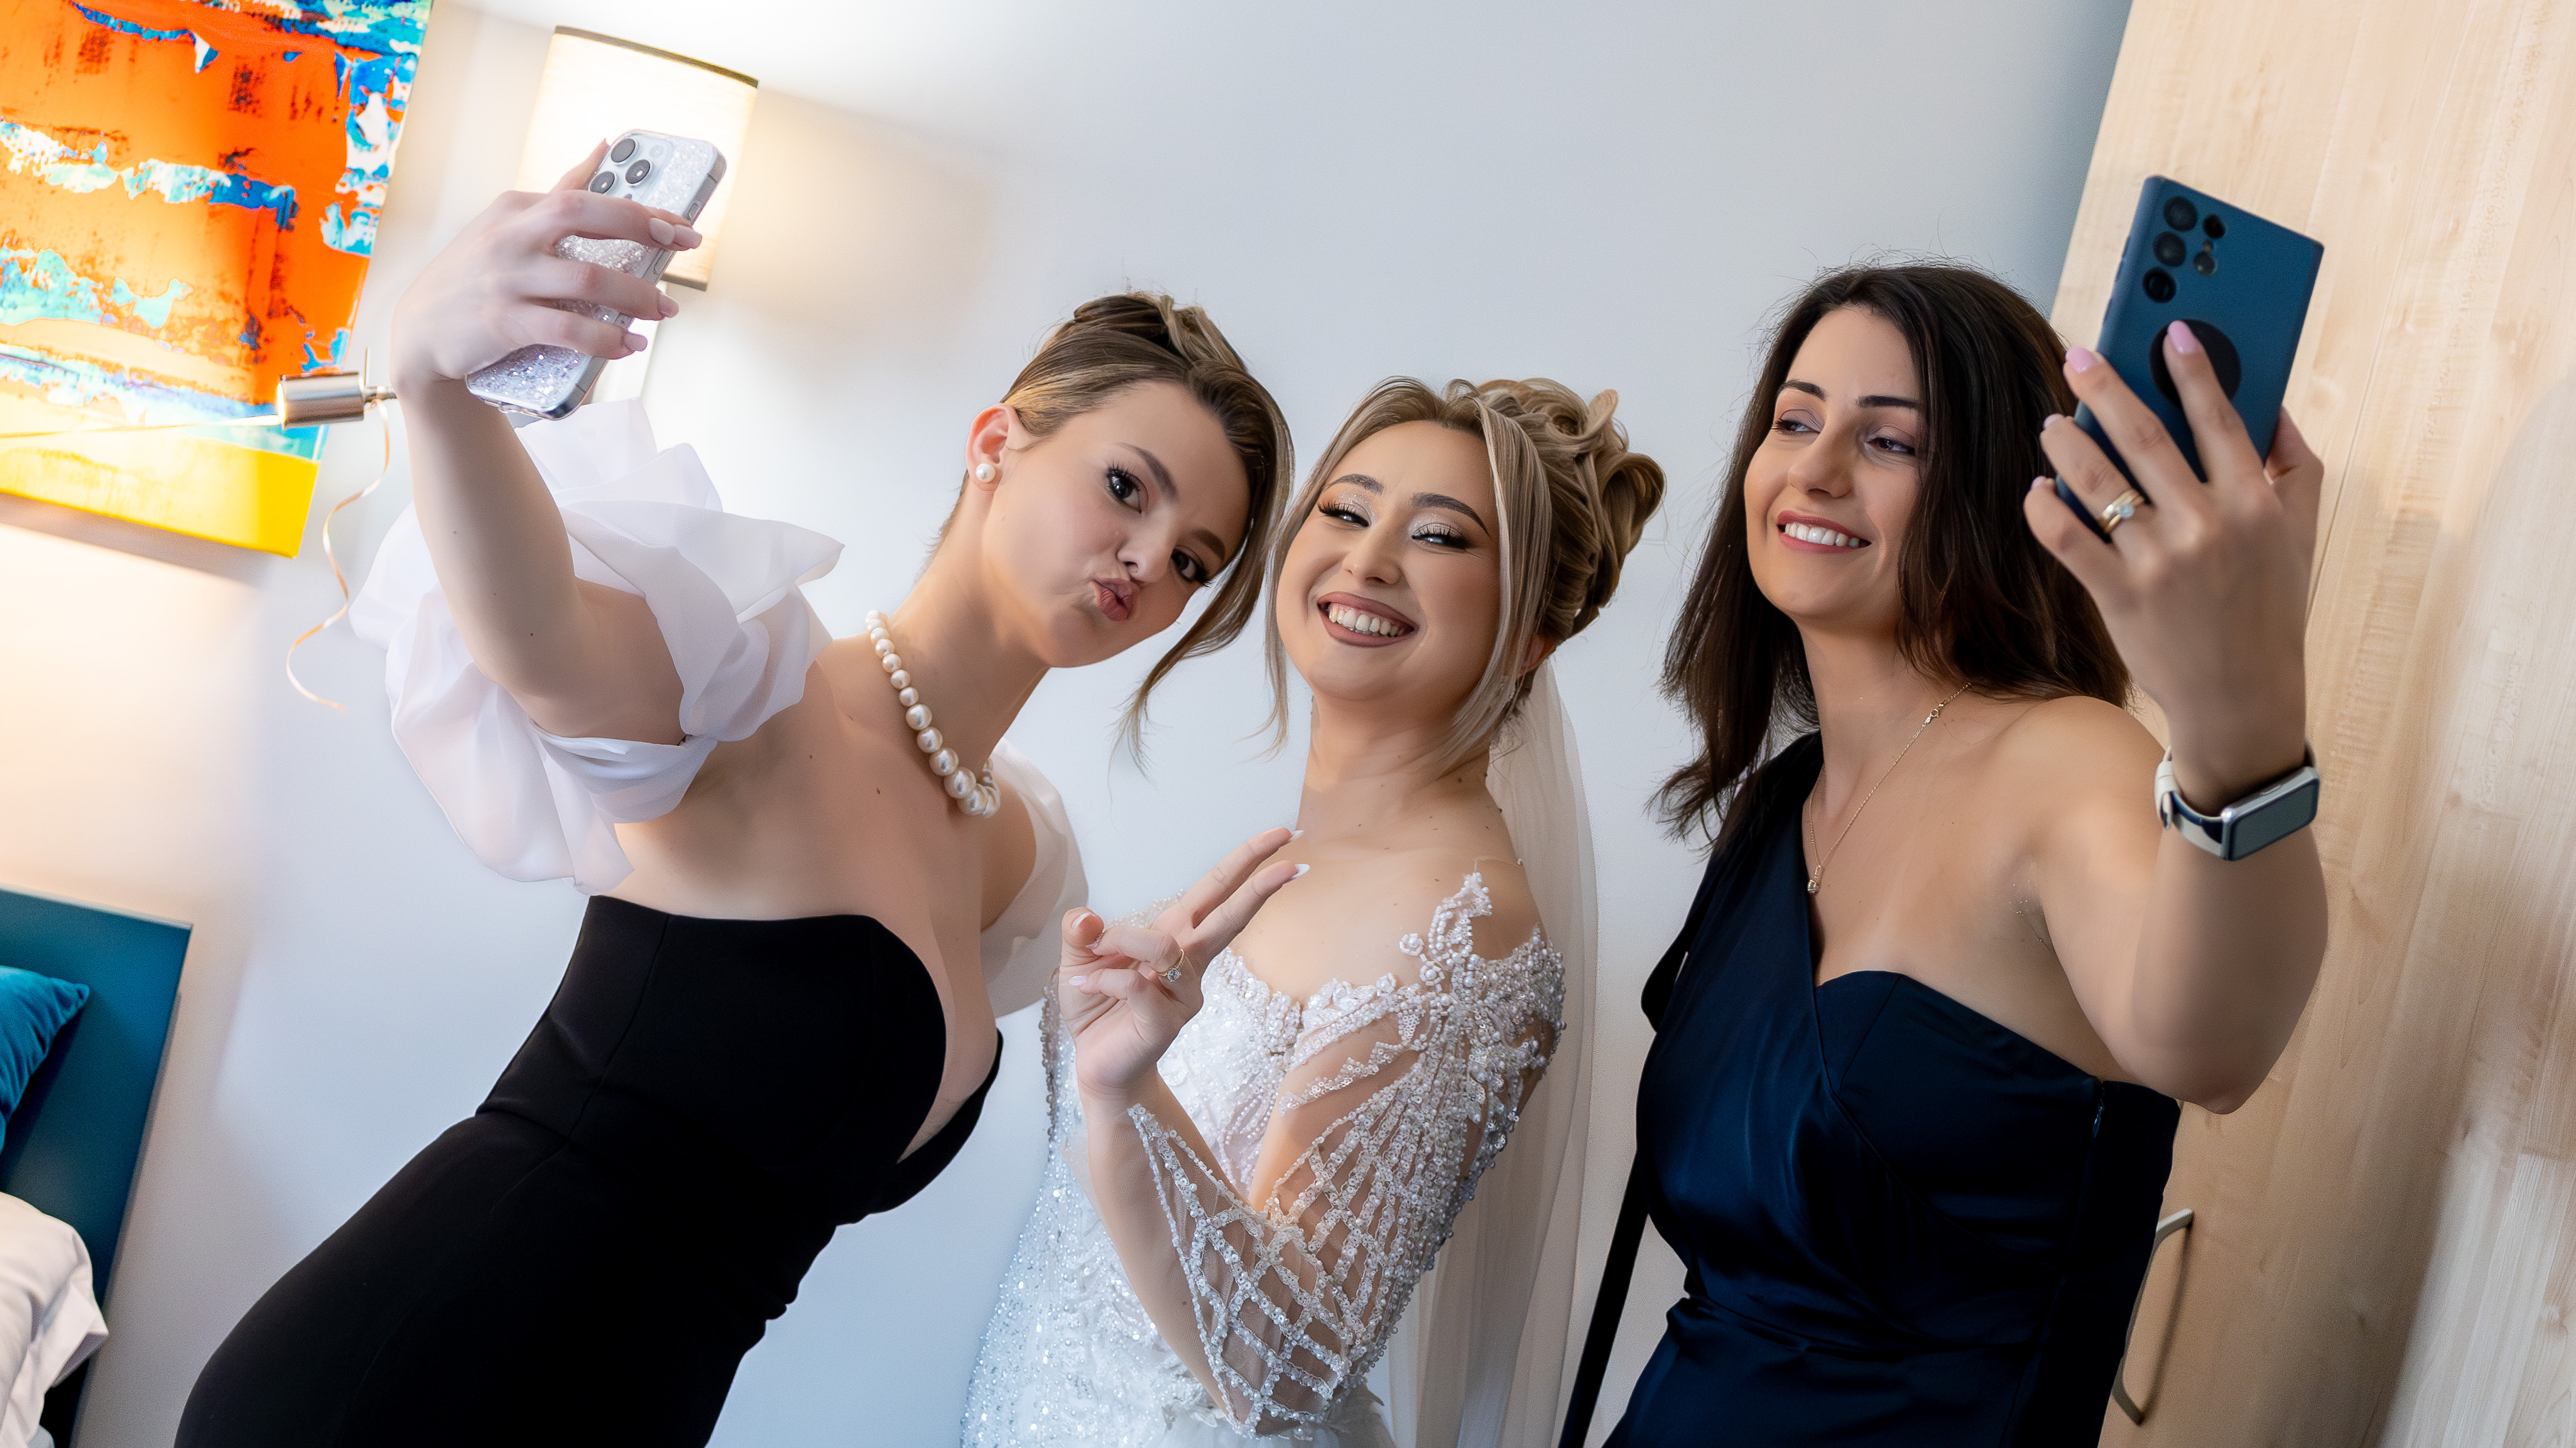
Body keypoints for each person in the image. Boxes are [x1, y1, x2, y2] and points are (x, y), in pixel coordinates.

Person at [178, 143, 1293, 1448]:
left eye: (1194, 560)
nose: (1148, 559)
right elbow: (540, 638)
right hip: (400, 1387)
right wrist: (435, 384)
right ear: (997, 440)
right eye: (1125, 487)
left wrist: (1121, 1078)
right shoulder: (756, 687)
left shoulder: (1018, 863)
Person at [1589, 263, 2328, 1446]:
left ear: (1997, 490)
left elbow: (2211, 1044)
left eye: (1889, 442)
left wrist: (2242, 710)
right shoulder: (1777, 807)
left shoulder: (2068, 760)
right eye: (1794, 421)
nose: (1815, 469)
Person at [964, 377, 1666, 1447]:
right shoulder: (1284, 863)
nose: (1367, 560)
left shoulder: (1463, 933)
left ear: (1533, 633)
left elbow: (1284, 1370)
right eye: (1345, 511)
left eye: (1439, 536)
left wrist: (1125, 1091)